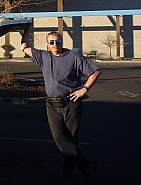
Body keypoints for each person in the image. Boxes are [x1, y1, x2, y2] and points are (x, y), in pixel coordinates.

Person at [21, 24, 101, 184]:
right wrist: (27, 29)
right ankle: (87, 166)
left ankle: (67, 170)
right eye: (51, 42)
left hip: (71, 103)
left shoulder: (73, 57)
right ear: (47, 44)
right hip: (52, 104)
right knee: (60, 139)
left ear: (62, 41)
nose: (55, 45)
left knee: (71, 140)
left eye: (58, 42)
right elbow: (24, 47)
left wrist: (84, 89)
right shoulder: (43, 56)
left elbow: (95, 71)